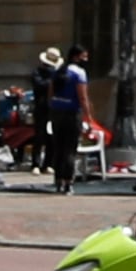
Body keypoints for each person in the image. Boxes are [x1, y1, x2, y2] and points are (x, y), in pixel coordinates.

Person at [46, 45, 94, 192]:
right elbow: (82, 97)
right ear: (76, 57)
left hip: (57, 112)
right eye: (83, 57)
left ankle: (58, 180)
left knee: (58, 147)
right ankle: (68, 181)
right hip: (72, 114)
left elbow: (50, 93)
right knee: (70, 150)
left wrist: (53, 108)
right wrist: (88, 117)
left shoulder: (58, 71)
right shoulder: (79, 73)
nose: (86, 60)